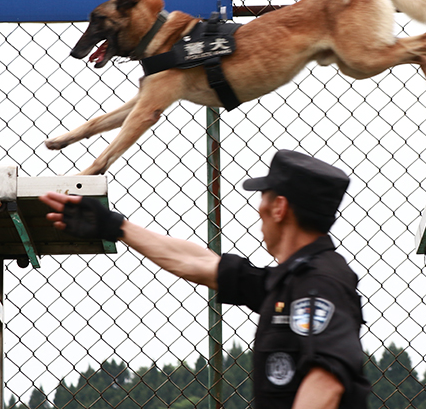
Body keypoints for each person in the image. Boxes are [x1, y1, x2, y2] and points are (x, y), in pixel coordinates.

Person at [39, 149, 370, 409]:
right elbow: (198, 263)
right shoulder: (287, 282)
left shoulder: (320, 283)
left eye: (263, 196)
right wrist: (117, 227)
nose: (258, 208)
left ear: (280, 207)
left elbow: (327, 381)